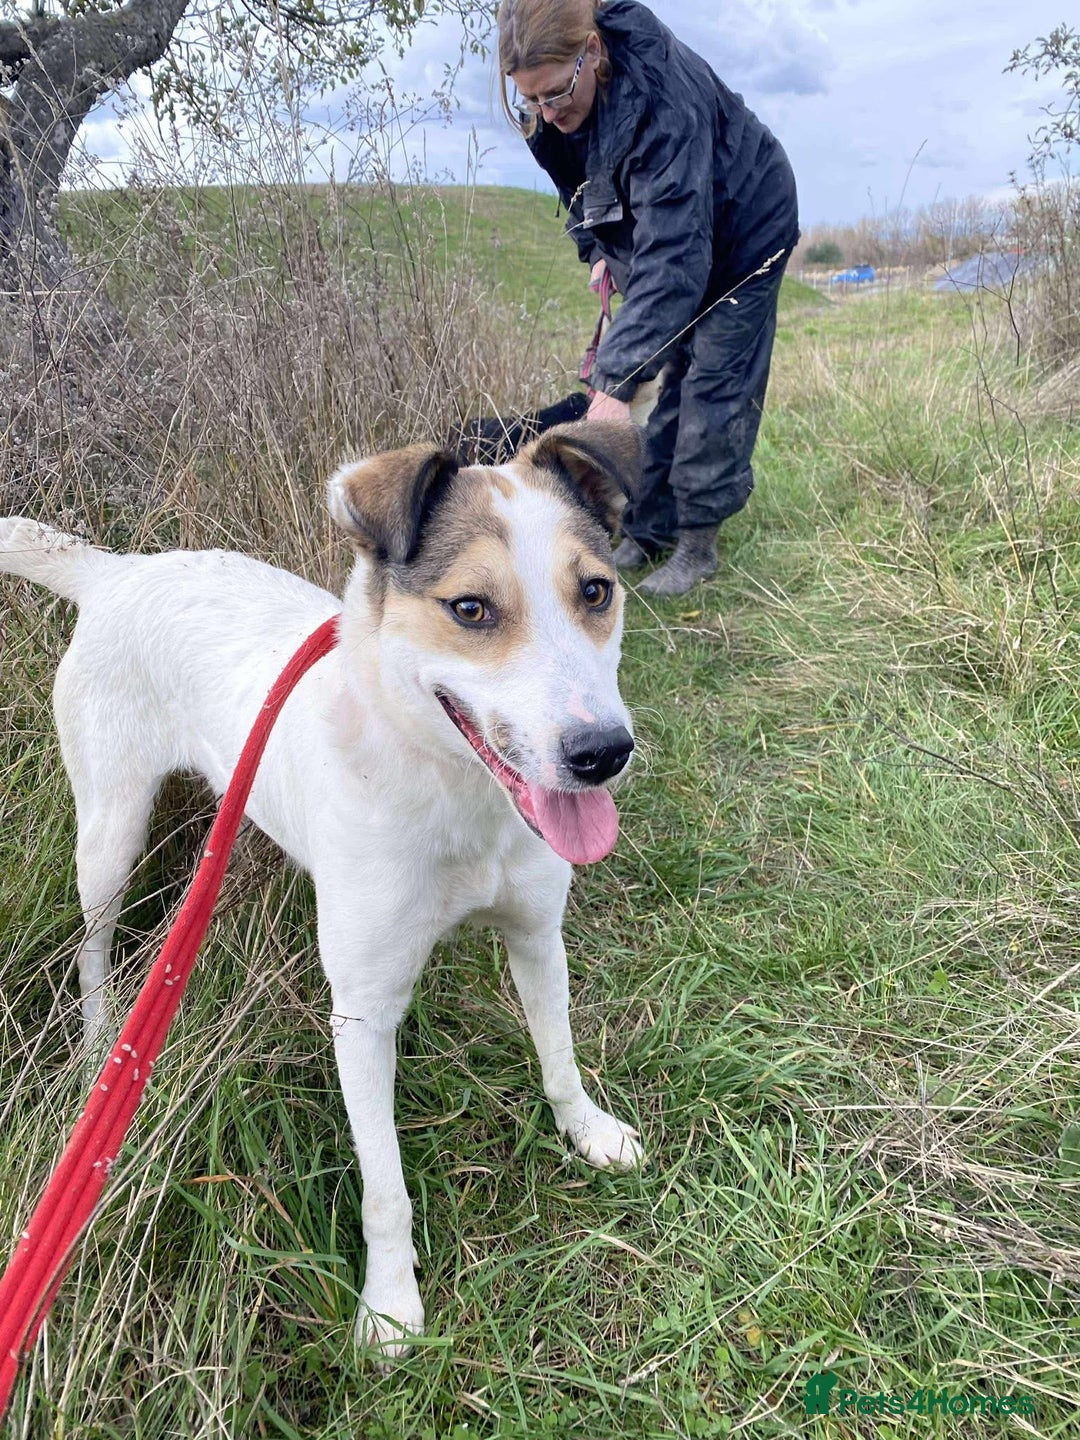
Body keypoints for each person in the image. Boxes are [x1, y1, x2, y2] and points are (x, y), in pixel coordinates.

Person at [497, 0, 799, 595]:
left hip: (746, 232)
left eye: (556, 94)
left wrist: (613, 383)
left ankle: (697, 545)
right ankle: (646, 529)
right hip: (672, 238)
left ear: (593, 51)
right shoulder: (548, 108)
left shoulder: (666, 99)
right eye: (530, 101)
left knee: (712, 377)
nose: (547, 114)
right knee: (670, 376)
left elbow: (677, 258)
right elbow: (580, 191)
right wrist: (600, 253)